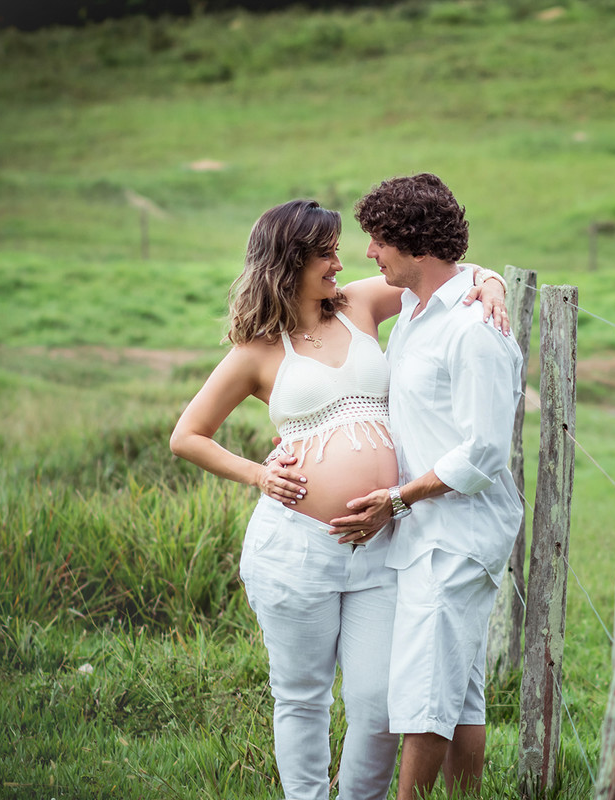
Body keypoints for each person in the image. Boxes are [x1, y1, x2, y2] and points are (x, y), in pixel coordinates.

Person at [169, 198, 508, 800]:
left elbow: (439, 268)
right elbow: (187, 436)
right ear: (287, 261)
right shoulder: (258, 350)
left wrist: (493, 280)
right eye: (325, 252)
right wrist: (257, 475)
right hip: (296, 549)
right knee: (301, 695)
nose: (340, 260)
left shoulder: (359, 303)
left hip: (381, 546)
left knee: (379, 699)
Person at [324, 173, 525, 800]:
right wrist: (488, 275)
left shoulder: (472, 329)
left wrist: (396, 500)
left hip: (458, 533)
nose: (367, 253)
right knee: (461, 692)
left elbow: (486, 451)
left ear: (414, 246)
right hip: (431, 531)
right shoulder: (419, 308)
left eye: (378, 239)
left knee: (425, 695)